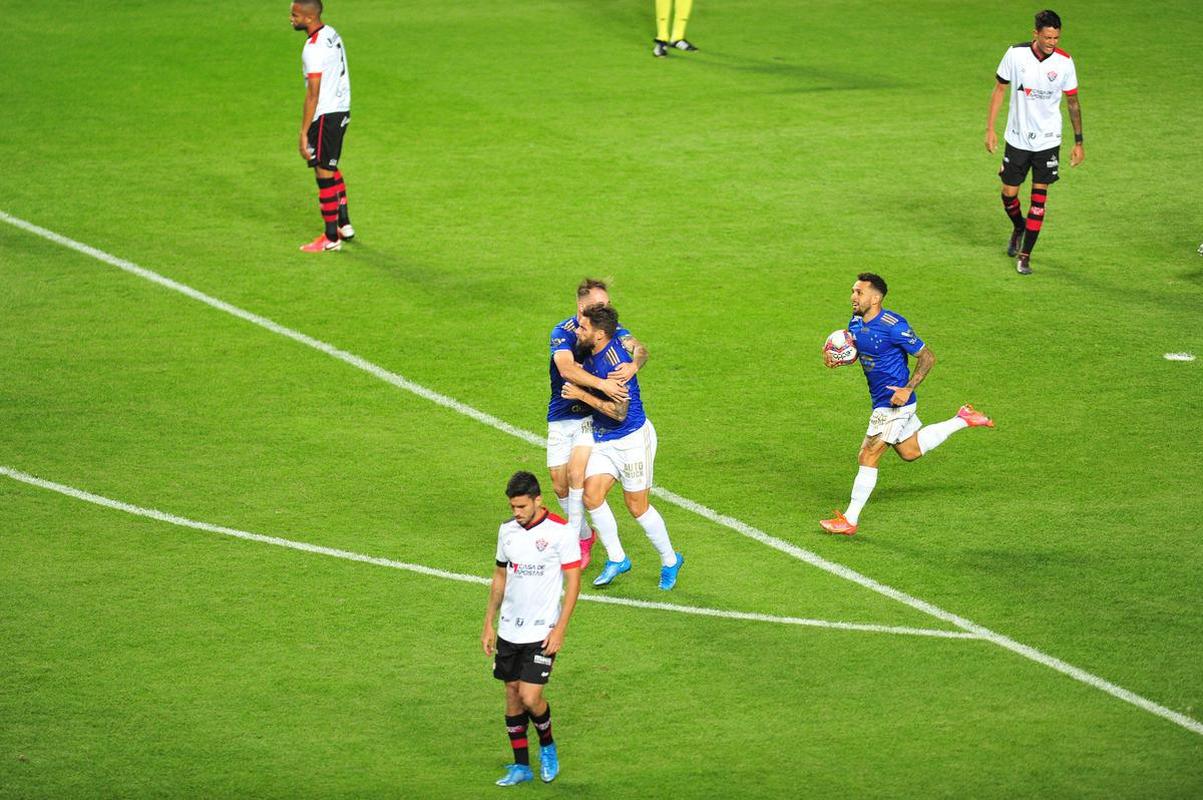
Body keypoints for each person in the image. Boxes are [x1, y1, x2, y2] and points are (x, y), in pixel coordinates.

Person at [819, 274, 995, 535]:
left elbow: (928, 357)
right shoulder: (855, 322)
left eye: (859, 292)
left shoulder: (894, 326)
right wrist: (846, 355)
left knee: (868, 455)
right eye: (853, 291)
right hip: (880, 398)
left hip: (894, 402)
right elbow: (865, 350)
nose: (853, 297)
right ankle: (963, 418)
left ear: (876, 298)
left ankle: (849, 520)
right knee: (910, 451)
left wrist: (907, 388)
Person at [562, 304, 684, 589]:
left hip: (631, 439)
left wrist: (580, 393)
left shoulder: (614, 366)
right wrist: (636, 361)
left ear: (600, 334)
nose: (579, 331)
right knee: (591, 496)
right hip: (604, 438)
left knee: (637, 506)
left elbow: (619, 413)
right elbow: (641, 348)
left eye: (584, 328)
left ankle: (669, 559)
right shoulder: (597, 344)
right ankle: (617, 558)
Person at [482, 471, 582, 786]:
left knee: (530, 696)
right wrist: (489, 623)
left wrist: (561, 628)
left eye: (522, 507)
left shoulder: (561, 533)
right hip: (510, 630)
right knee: (512, 695)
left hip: (542, 632)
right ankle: (521, 766)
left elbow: (574, 581)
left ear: (539, 500)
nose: (517, 513)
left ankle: (548, 746)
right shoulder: (507, 532)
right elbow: (499, 577)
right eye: (513, 507)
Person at [546, 279, 647, 570]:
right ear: (582, 308)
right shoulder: (563, 332)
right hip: (562, 410)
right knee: (559, 484)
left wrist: (634, 364)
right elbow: (565, 368)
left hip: (589, 415)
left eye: (607, 304)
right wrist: (602, 383)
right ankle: (584, 536)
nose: (606, 309)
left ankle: (576, 548)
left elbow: (639, 349)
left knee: (578, 474)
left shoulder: (608, 329)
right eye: (599, 305)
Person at [985, 9, 1084, 275]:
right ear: (1036, 34)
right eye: (1048, 37)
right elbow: (999, 90)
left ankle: (1025, 256)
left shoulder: (1064, 62)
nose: (1053, 42)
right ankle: (1019, 227)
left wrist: (1078, 141)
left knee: (1039, 201)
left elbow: (1072, 102)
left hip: (1048, 140)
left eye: (1057, 38)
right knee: (1009, 194)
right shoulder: (1015, 55)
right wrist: (990, 129)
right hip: (1017, 138)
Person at [290, 0, 355, 253]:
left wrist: (304, 131)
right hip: (340, 108)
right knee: (329, 164)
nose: (291, 19)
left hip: (326, 113)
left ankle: (331, 238)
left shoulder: (313, 48)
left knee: (323, 172)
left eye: (295, 15)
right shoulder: (331, 32)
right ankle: (345, 224)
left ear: (308, 18)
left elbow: (312, 94)